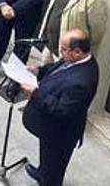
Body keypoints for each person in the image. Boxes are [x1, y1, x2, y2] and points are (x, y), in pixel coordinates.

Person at [20, 29, 99, 186]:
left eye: (63, 49)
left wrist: (35, 93)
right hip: (48, 128)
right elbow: (57, 68)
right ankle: (41, 172)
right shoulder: (74, 59)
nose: (61, 53)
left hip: (60, 134)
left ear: (77, 52)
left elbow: (62, 110)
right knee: (46, 158)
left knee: (53, 171)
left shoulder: (82, 81)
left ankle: (47, 179)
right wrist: (39, 71)